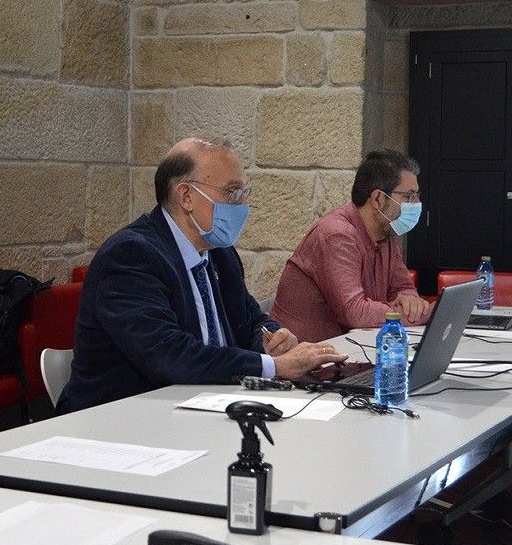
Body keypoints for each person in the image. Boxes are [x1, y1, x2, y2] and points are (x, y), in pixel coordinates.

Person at [56, 138, 347, 414]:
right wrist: (276, 366)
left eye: (245, 193)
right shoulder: (131, 255)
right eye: (232, 193)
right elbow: (170, 356)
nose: (243, 205)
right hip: (124, 418)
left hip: (206, 405)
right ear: (186, 196)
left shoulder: (219, 252)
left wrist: (272, 338)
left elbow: (248, 318)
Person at [271, 149, 433, 344]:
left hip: (350, 352)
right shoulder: (337, 234)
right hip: (304, 361)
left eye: (417, 196)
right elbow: (354, 312)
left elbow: (403, 287)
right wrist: (421, 314)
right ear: (378, 199)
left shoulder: (387, 233)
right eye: (408, 197)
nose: (416, 204)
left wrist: (410, 301)